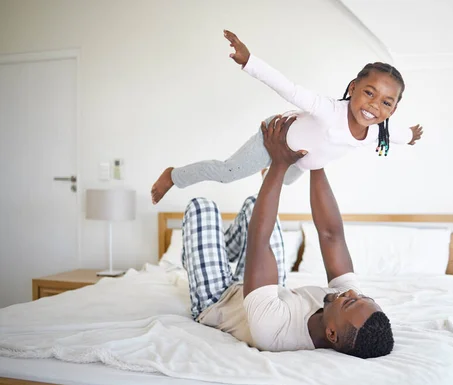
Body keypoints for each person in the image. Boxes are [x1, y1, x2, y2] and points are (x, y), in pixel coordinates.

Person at [182, 116, 394, 358]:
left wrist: (279, 164)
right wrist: (318, 160)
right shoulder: (348, 306)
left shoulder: (275, 331)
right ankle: (220, 251)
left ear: (332, 334)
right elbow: (330, 235)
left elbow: (259, 241)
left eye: (350, 300)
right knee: (254, 206)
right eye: (361, 295)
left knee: (203, 208)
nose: (352, 293)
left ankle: (199, 254)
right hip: (263, 288)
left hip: (218, 299)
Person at [151, 30, 423, 204]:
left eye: (386, 102)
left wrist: (411, 135)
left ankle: (268, 169)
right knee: (228, 173)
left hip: (301, 159)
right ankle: (174, 176)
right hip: (276, 137)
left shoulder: (379, 132)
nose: (374, 106)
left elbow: (399, 135)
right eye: (369, 93)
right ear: (353, 88)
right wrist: (249, 62)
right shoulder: (328, 109)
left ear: (393, 110)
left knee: (286, 180)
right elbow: (288, 88)